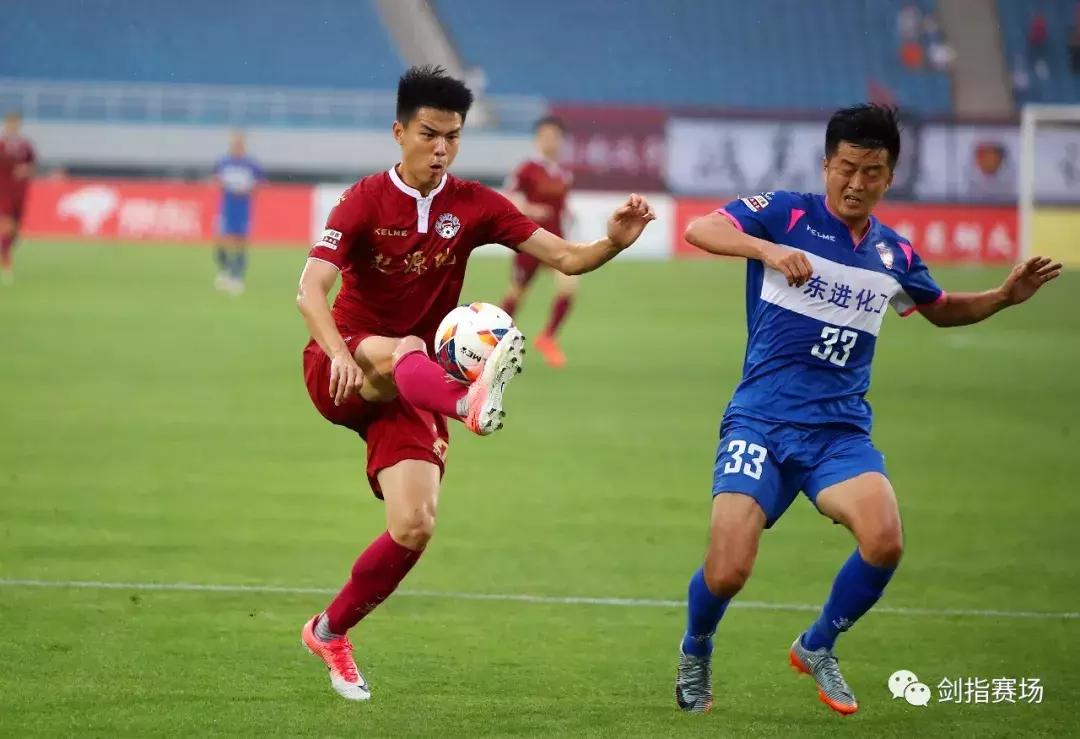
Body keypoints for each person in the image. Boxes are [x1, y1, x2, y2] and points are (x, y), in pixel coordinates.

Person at [673, 104, 1061, 716]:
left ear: (890, 175)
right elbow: (701, 230)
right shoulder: (785, 214)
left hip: (838, 433)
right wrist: (768, 253)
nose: (856, 183)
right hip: (762, 422)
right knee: (727, 573)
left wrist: (1003, 297)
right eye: (847, 167)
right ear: (827, 164)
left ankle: (818, 643)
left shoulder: (893, 254)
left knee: (884, 541)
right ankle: (696, 648)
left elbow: (940, 309)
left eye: (872, 171)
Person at [296, 65, 655, 701]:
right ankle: (468, 398)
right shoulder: (360, 202)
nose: (441, 148)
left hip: (409, 387)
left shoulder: (476, 206)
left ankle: (329, 631)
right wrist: (337, 352)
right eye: (429, 134)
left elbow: (568, 257)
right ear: (399, 131)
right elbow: (309, 291)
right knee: (407, 346)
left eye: (453, 137)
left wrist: (614, 243)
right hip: (345, 367)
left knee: (415, 525)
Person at [499, 116, 576, 367]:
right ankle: (496, 340)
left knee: (569, 286)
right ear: (537, 139)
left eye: (554, 136)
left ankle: (547, 338)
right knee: (517, 294)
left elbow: (562, 204)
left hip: (557, 242)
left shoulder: (563, 172)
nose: (550, 141)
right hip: (531, 241)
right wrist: (531, 209)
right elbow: (510, 199)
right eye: (545, 136)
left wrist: (568, 214)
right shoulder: (527, 169)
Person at [213, 132, 263, 294]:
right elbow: (216, 179)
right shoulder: (224, 162)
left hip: (243, 208)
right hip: (227, 207)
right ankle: (224, 271)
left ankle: (237, 277)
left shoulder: (251, 164)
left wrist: (247, 189)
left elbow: (260, 183)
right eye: (235, 143)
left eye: (239, 143)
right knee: (221, 241)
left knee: (241, 242)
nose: (237, 146)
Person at [0, 111, 36, 286]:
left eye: (16, 123)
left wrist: (26, 170)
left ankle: (5, 252)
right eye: (10, 123)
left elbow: (32, 165)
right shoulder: (1, 145)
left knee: (16, 231)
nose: (13, 126)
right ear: (7, 124)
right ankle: (6, 266)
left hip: (20, 193)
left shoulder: (26, 146)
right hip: (3, 191)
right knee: (5, 226)